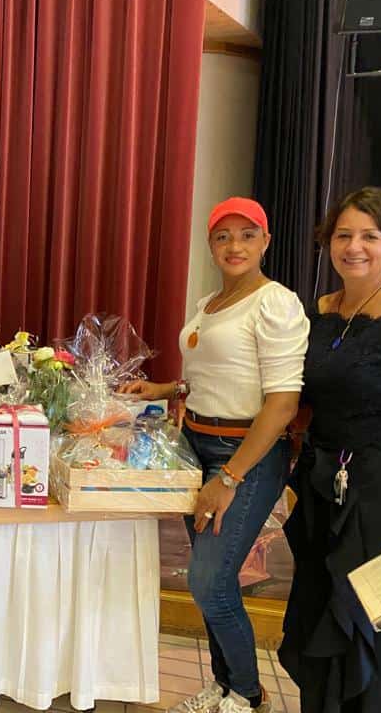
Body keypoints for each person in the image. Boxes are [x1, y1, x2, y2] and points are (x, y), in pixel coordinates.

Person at [123, 197, 309, 713]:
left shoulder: (276, 303)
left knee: (207, 581)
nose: (235, 246)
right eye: (223, 236)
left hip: (244, 454)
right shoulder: (211, 303)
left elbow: (282, 403)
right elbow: (213, 376)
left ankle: (248, 694)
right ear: (210, 244)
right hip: (198, 444)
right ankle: (223, 684)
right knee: (214, 581)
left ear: (266, 241)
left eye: (247, 235)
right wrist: (164, 388)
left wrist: (228, 477)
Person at [278, 186, 381, 712]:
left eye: (370, 236)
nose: (354, 247)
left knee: (379, 625)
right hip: (321, 487)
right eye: (343, 235)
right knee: (318, 610)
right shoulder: (319, 313)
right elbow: (296, 396)